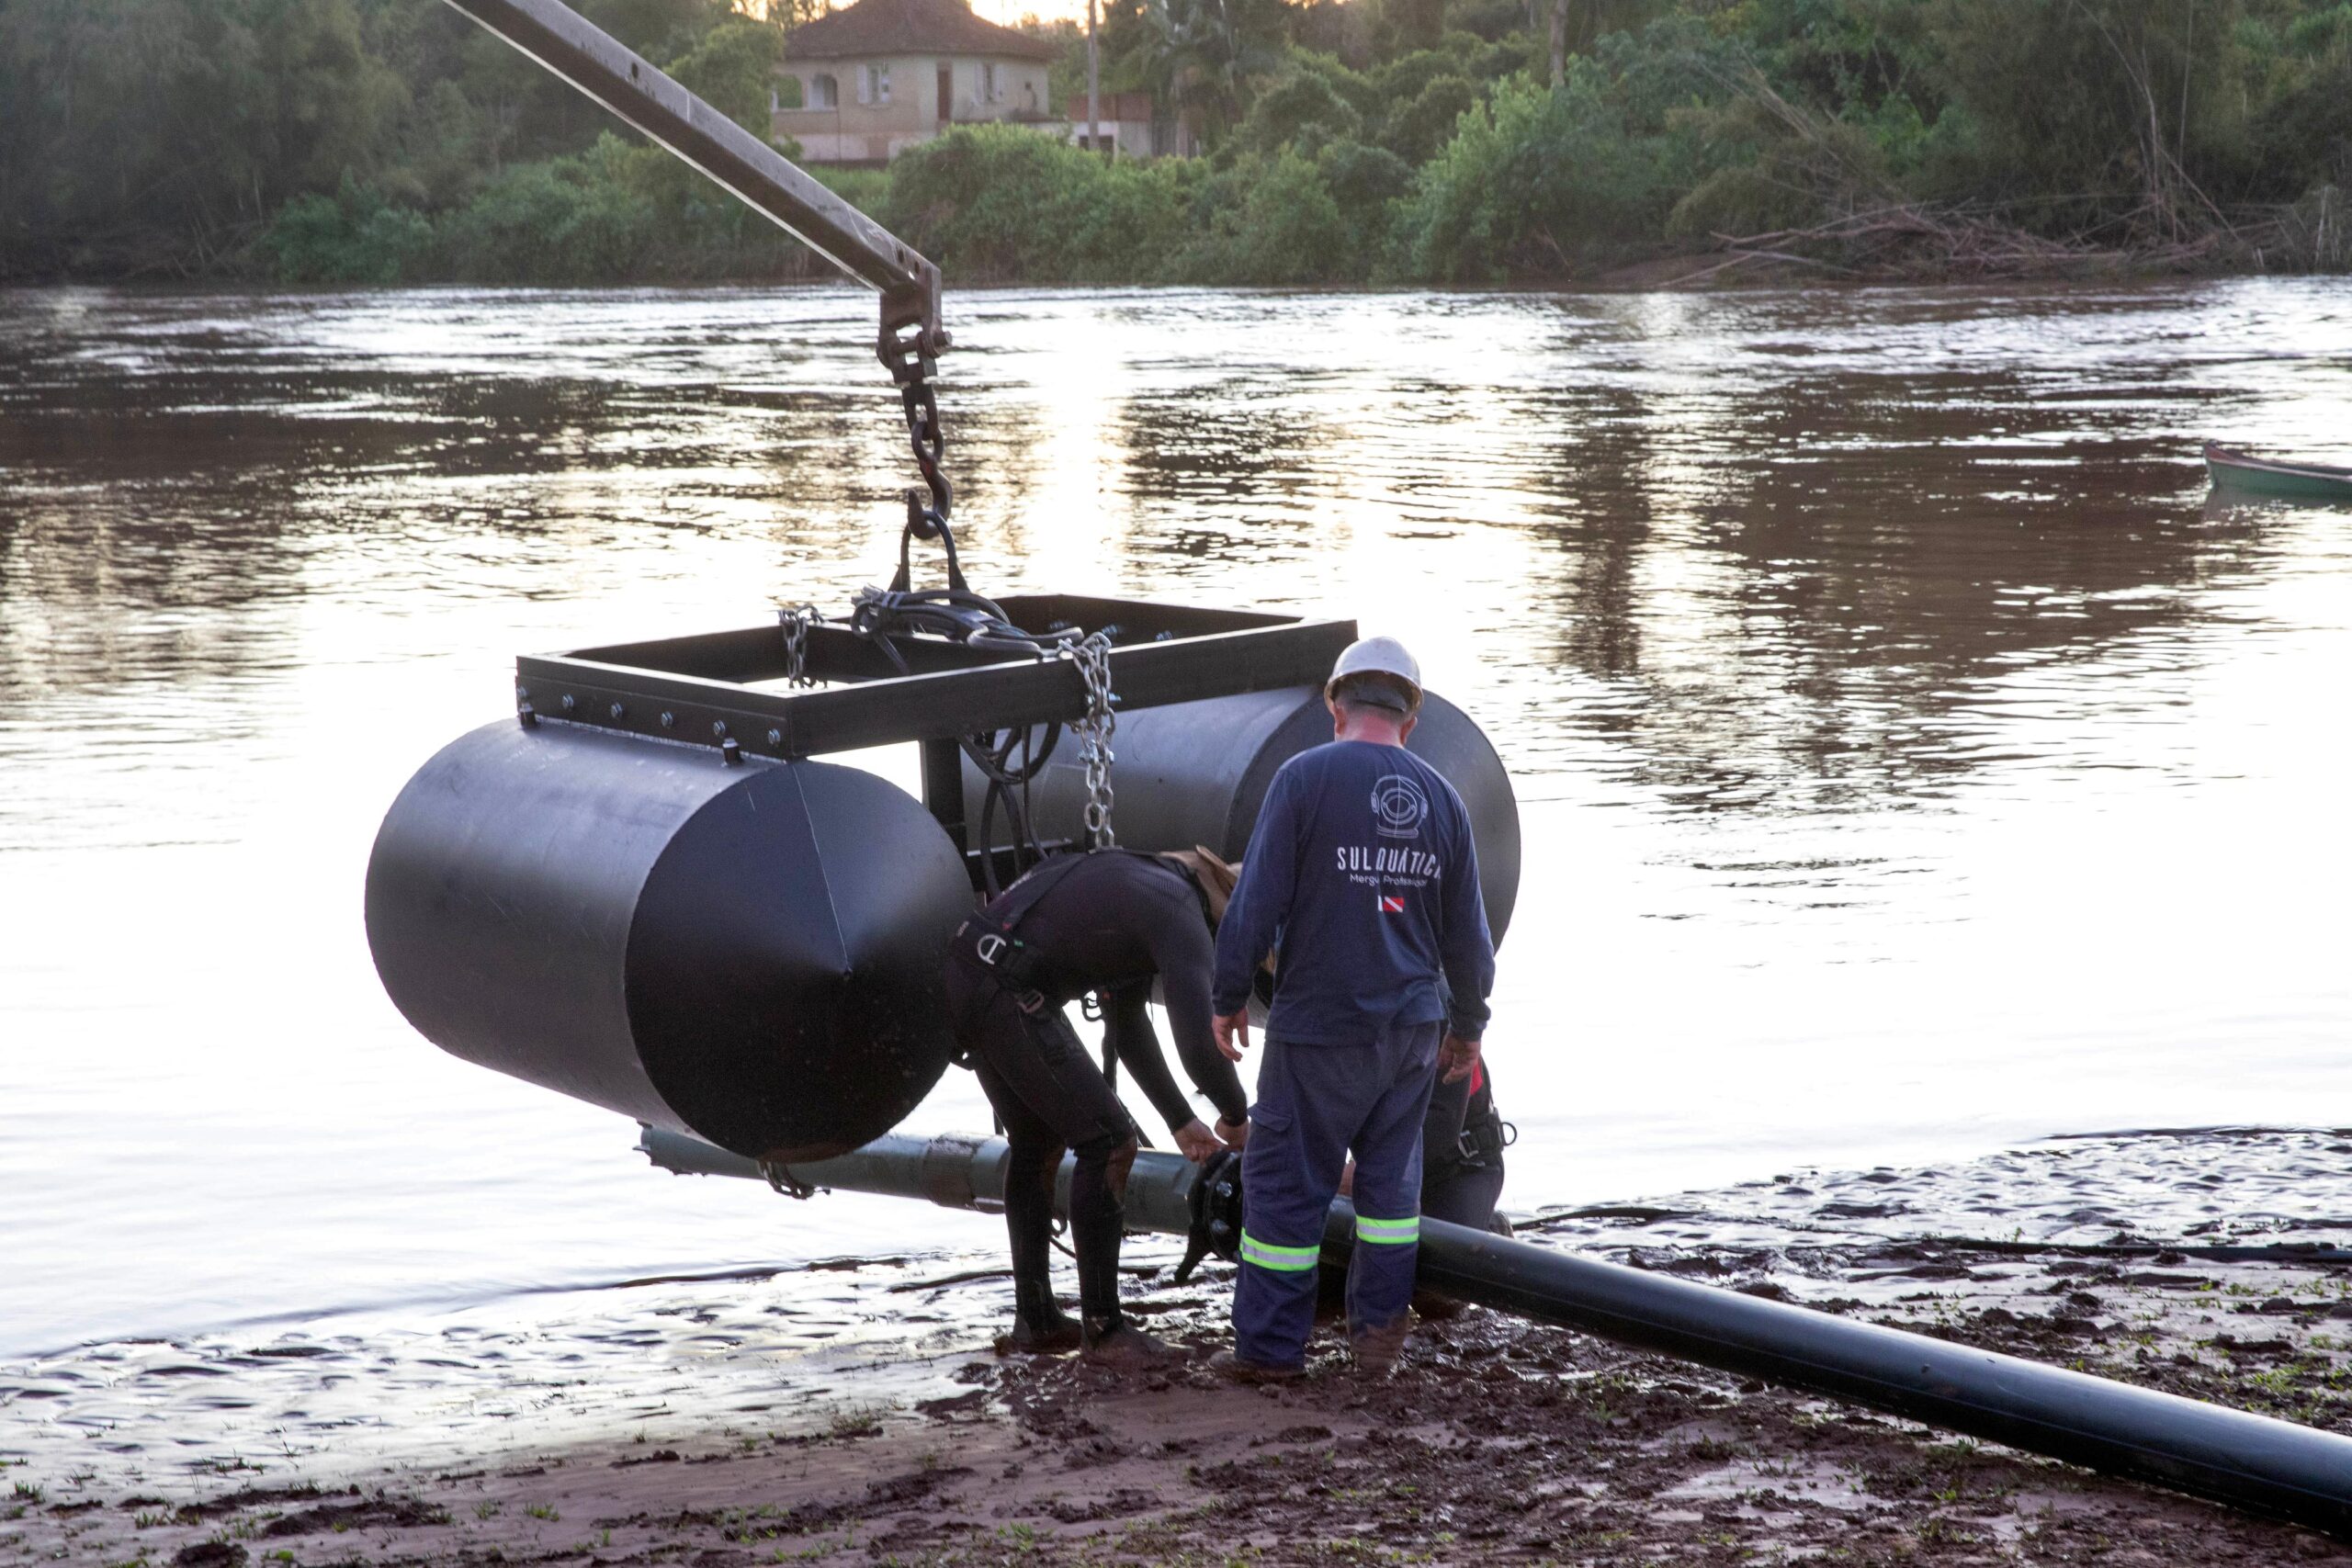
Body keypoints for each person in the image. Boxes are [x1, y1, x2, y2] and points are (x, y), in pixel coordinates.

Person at [1207, 637, 1496, 1381]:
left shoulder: (1303, 778)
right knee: (1391, 1191)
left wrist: (1228, 994)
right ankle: (1376, 1343)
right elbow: (1470, 938)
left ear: (1336, 706)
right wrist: (1468, 1026)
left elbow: (1254, 901)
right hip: (1413, 1033)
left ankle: (1270, 1351)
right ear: (1411, 717)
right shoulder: (1445, 799)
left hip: (1319, 1028)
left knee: (1284, 1187)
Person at [944, 847, 1250, 1367]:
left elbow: (1128, 1028)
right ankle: (1105, 1331)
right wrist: (1238, 1119)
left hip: (968, 973)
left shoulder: (1145, 884)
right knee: (1108, 1142)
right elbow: (1200, 1046)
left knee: (1037, 1139)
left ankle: (1036, 1321)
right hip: (1003, 985)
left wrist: (1179, 1119)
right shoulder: (1181, 912)